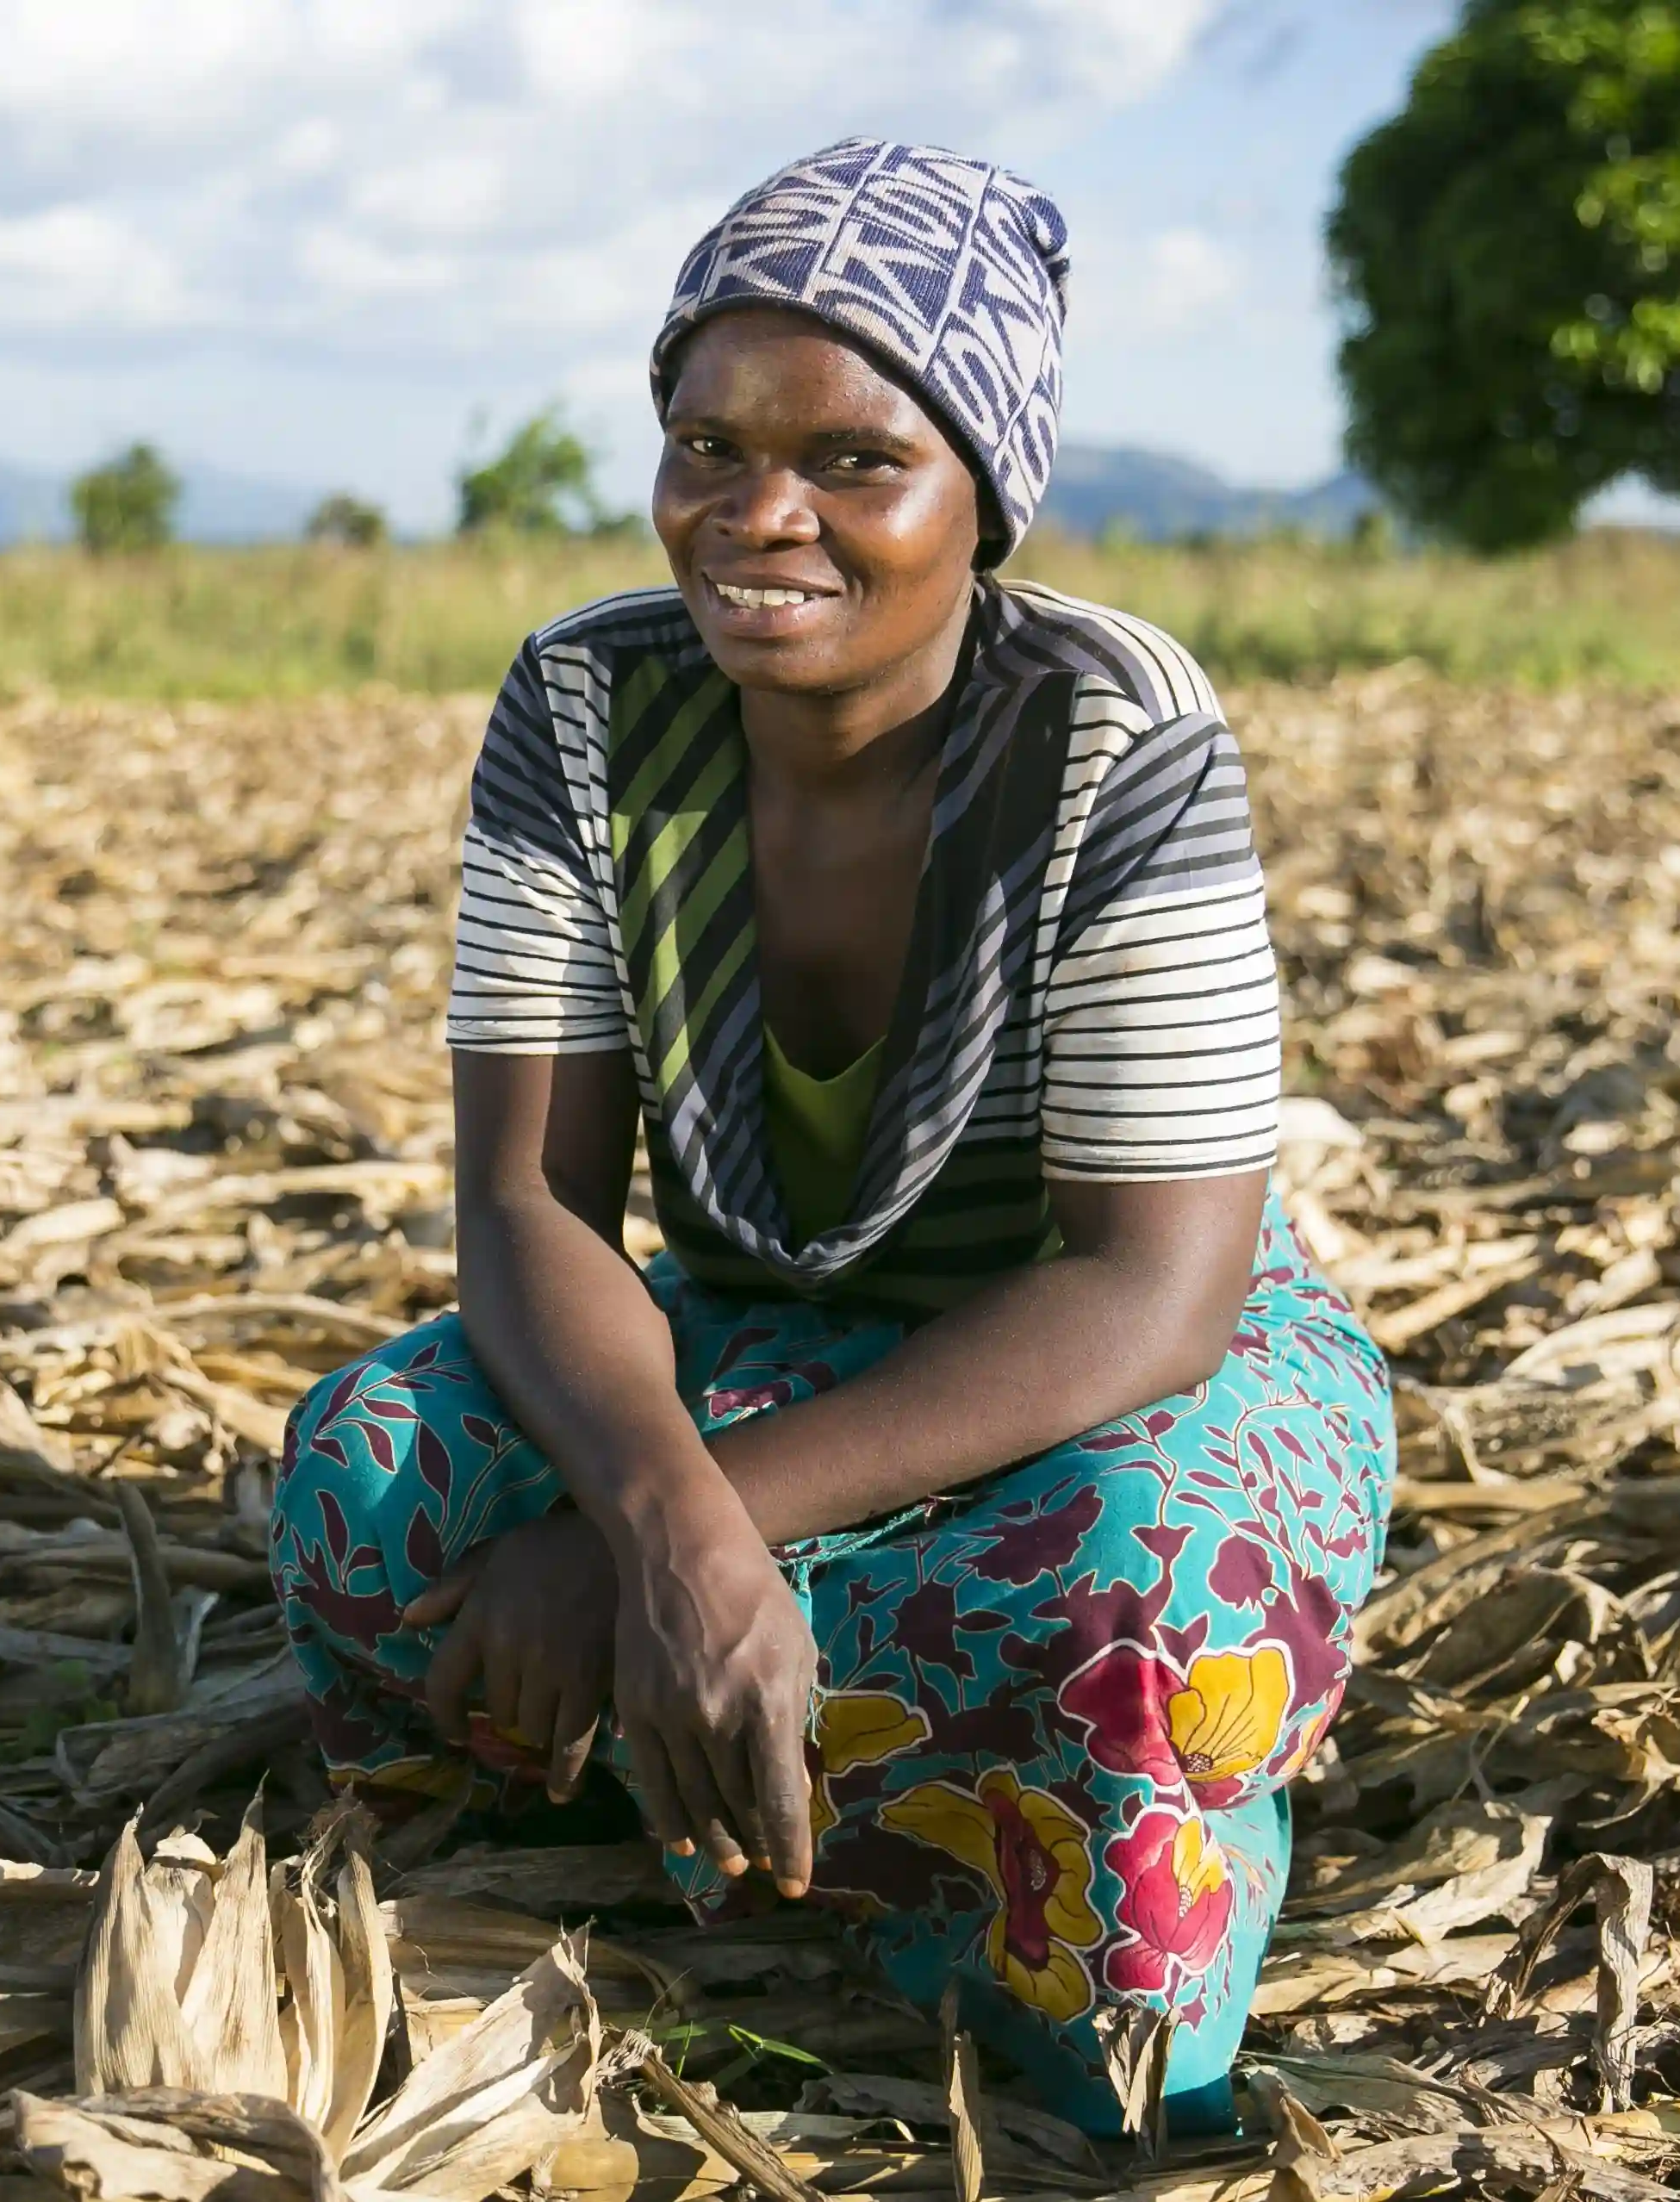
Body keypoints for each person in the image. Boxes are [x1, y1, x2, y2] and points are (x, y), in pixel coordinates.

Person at [271, 138, 1394, 2136]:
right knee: (372, 1489)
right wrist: (659, 1517)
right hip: (748, 1347)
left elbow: (1153, 1289)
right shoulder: (587, 705)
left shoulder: (1113, 737)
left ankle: (906, 1838)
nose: (757, 514)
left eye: (855, 462)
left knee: (1131, 1592)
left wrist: (683, 1535)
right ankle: (859, 1801)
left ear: (984, 496)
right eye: (708, 444)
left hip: (1110, 1385)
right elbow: (534, 1200)